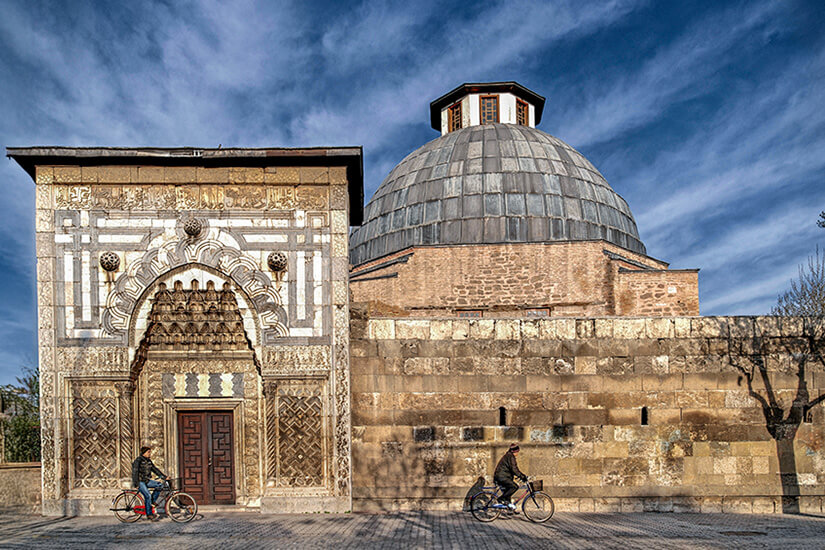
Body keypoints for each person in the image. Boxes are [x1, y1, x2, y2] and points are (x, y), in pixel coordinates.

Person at [132, 446, 169, 520]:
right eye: (148, 452)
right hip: (140, 481)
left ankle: (152, 501)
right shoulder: (138, 460)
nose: (150, 454)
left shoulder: (148, 461)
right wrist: (136, 483)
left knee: (160, 485)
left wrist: (164, 477)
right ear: (144, 453)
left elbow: (155, 469)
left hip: (146, 480)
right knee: (148, 495)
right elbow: (135, 472)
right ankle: (149, 514)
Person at [494, 443, 528, 512]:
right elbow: (514, 469)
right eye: (517, 452)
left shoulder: (508, 456)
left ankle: (510, 510)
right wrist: (522, 476)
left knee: (508, 492)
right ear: (515, 451)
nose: (517, 453)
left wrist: (520, 475)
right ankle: (501, 498)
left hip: (502, 476)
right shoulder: (511, 457)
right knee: (514, 487)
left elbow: (512, 469)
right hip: (502, 477)